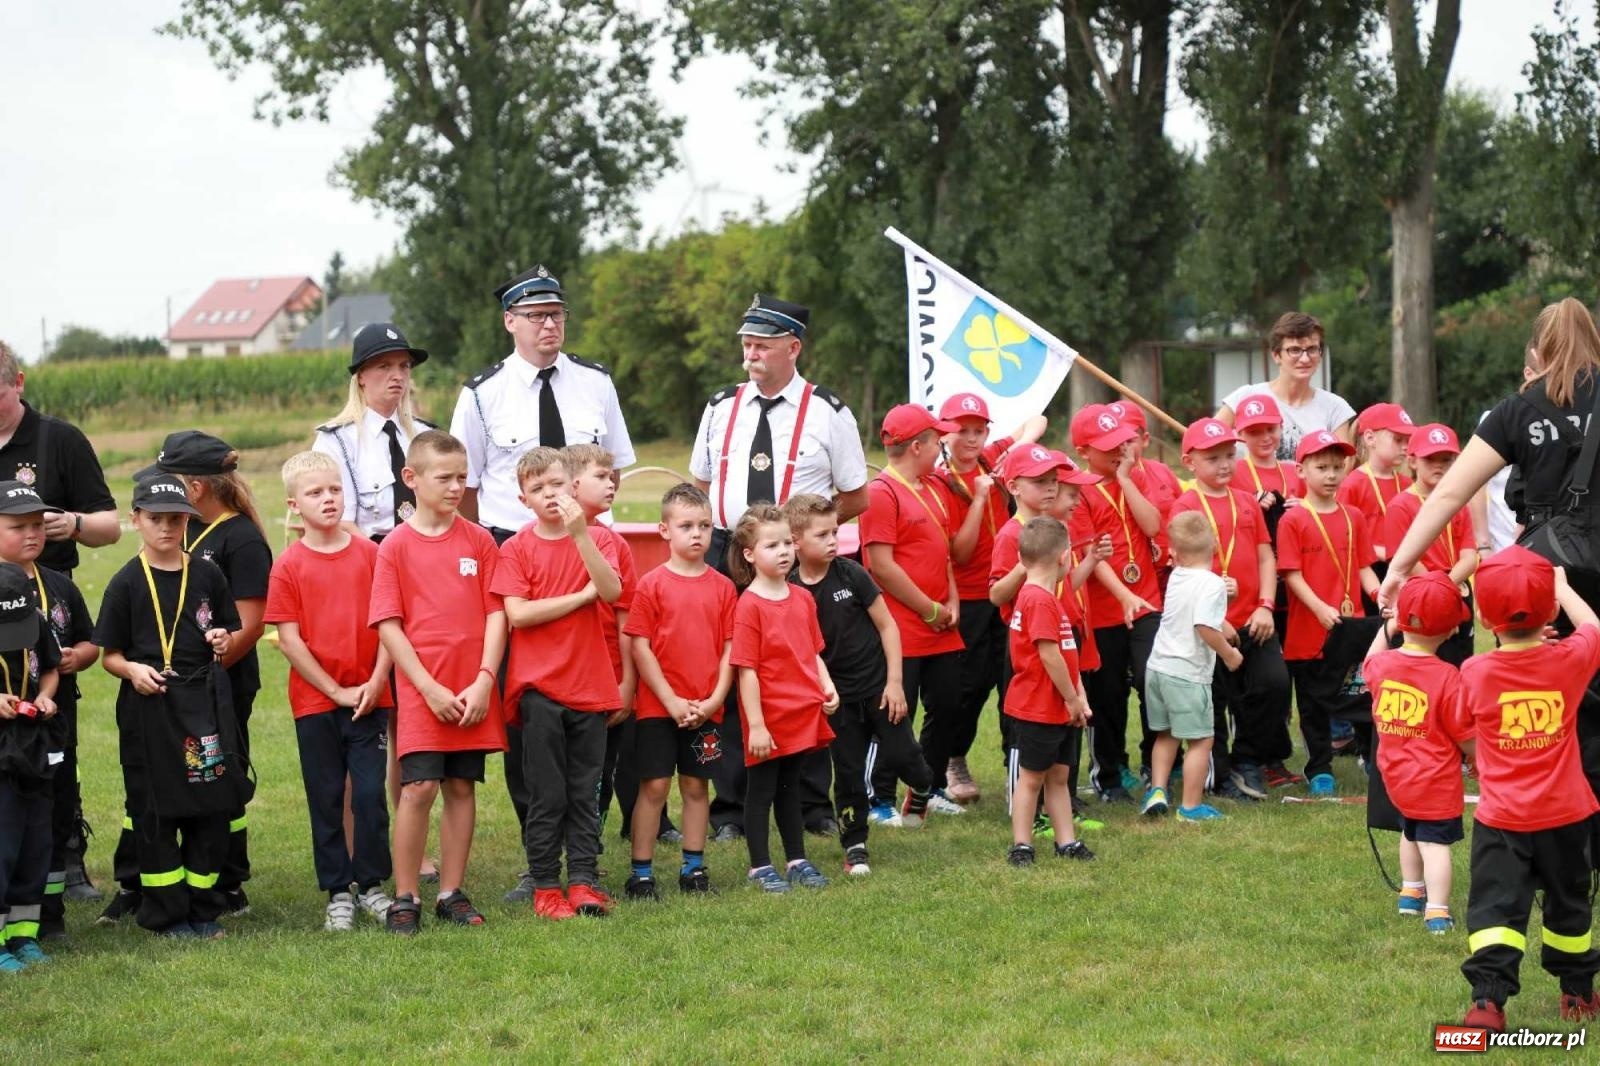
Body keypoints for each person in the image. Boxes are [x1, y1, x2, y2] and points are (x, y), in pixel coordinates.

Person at [449, 265, 634, 890]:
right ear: (510, 322)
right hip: (516, 555)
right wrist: (504, 558)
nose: (548, 323)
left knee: (593, 711)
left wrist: (591, 541)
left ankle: (585, 851)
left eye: (556, 312)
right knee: (529, 713)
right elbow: (468, 489)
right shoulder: (481, 394)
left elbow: (616, 470)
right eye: (534, 314)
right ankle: (539, 857)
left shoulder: (596, 383)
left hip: (586, 551)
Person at [1380, 298, 1600, 801]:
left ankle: (1549, 829)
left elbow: (1449, 493)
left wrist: (1399, 567)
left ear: (1538, 350)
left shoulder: (1517, 410)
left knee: (1540, 703)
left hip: (1546, 580)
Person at [691, 294, 867, 842]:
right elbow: (701, 484)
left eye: (763, 343)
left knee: (800, 672)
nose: (751, 352)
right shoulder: (721, 406)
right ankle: (728, 806)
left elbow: (855, 495)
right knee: (728, 667)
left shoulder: (828, 412)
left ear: (794, 346)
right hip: (730, 550)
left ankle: (810, 801)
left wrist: (805, 538)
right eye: (746, 342)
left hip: (793, 557)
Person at [1453, 549, 1600, 1031]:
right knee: (1569, 905)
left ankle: (1487, 1003)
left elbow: (1462, 727)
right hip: (1567, 816)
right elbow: (1593, 627)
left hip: (1502, 821)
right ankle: (1577, 994)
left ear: (1482, 615)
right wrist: (1563, 588)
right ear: (1550, 613)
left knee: (1496, 909)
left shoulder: (1474, 673)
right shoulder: (1571, 663)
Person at [127, 431, 272, 918]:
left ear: (194, 488)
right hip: (176, 694)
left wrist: (196, 684)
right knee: (165, 781)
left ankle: (228, 882)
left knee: (217, 779)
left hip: (218, 690)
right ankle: (144, 883)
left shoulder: (242, 538)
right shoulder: (181, 533)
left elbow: (249, 626)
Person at [369, 430, 506, 934]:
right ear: (411, 479)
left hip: (472, 691)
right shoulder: (395, 548)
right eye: (444, 478)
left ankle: (451, 892)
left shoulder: (480, 540)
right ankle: (405, 896)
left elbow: (497, 614)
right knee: (419, 786)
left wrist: (485, 680)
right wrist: (427, 688)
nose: (455, 488)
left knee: (461, 786)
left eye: (462, 478)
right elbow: (389, 624)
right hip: (424, 693)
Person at [94, 475, 240, 939]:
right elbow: (109, 656)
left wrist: (222, 637)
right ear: (136, 519)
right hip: (149, 712)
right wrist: (133, 671)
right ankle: (167, 913)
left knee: (208, 803)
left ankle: (203, 908)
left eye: (175, 519)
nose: (166, 528)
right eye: (155, 519)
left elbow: (227, 629)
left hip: (200, 709)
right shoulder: (125, 583)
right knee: (156, 811)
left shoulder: (206, 573)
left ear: (187, 521)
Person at [0, 340, 119, 902]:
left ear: (18, 382)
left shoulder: (59, 440)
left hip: (49, 606)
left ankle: (67, 858)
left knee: (54, 746)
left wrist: (70, 522)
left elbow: (112, 526)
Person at [264, 452, 394, 931]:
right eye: (316, 493)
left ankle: (373, 885)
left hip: (370, 697)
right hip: (317, 703)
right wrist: (336, 690)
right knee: (324, 796)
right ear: (294, 505)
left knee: (367, 795)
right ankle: (338, 891)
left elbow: (389, 624)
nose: (328, 499)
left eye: (335, 490)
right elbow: (290, 641)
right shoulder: (289, 566)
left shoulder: (373, 555)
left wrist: (377, 680)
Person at [492, 447, 622, 921]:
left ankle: (585, 880)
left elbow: (610, 591)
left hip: (589, 687)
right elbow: (518, 614)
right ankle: (546, 883)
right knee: (547, 792)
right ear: (523, 499)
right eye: (537, 489)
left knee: (584, 790)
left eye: (555, 485)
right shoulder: (517, 549)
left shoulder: (596, 538)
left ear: (572, 487)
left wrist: (580, 535)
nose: (549, 495)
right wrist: (579, 596)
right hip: (538, 691)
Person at [788, 492, 936, 873]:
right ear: (795, 540)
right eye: (822, 535)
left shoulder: (852, 574)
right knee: (849, 772)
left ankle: (921, 790)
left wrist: (895, 683)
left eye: (835, 532)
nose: (834, 541)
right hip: (836, 701)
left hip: (878, 690)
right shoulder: (788, 588)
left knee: (907, 759)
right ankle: (854, 845)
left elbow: (888, 626)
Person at [622, 484, 736, 898]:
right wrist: (669, 700)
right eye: (686, 525)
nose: (697, 534)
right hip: (658, 708)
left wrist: (714, 700)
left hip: (706, 709)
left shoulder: (723, 588)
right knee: (653, 787)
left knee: (695, 786)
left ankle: (693, 869)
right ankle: (642, 873)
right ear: (664, 530)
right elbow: (640, 645)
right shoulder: (651, 585)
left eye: (704, 526)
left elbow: (730, 649)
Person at [1168, 417, 1287, 803]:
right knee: (1214, 701)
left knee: (1273, 685)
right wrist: (1217, 618)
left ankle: (1248, 758)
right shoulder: (1185, 505)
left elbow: (1265, 555)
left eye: (1229, 456)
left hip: (1255, 619)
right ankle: (1218, 776)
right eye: (1212, 458)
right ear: (1189, 462)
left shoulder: (1245, 501)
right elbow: (1181, 570)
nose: (1224, 465)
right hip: (1210, 627)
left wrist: (1267, 606)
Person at [936, 393, 1045, 805]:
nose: (970, 439)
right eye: (960, 430)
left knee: (1016, 679)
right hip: (973, 596)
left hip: (1016, 590)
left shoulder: (995, 458)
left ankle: (1017, 763)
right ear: (944, 433)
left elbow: (1038, 419)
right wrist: (980, 497)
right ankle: (954, 758)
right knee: (972, 684)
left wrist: (1010, 452)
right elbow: (960, 553)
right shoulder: (941, 482)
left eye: (978, 430)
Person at [861, 404, 968, 823]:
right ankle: (880, 797)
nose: (943, 446)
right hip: (904, 625)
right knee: (894, 712)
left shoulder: (934, 487)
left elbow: (942, 554)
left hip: (942, 622)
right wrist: (928, 610)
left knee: (947, 704)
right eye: (937, 440)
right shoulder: (881, 493)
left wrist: (953, 601)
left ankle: (929, 785)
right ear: (918, 445)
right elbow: (881, 566)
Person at [0, 482, 96, 943]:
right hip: (5, 737)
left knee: (49, 820)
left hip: (50, 728)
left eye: (38, 526)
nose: (32, 535)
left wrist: (75, 658)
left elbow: (86, 642)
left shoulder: (57, 586)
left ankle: (44, 918)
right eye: (18, 527)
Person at [727, 504, 839, 893]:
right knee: (762, 789)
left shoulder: (803, 599)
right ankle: (760, 866)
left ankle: (797, 859)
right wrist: (756, 724)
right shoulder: (749, 606)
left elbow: (812, 651)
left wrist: (827, 685)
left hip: (800, 711)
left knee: (792, 786)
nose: (784, 552)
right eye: (771, 545)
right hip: (767, 715)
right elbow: (746, 670)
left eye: (788, 543)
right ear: (749, 554)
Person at [1363, 571, 1471, 936]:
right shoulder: (1447, 676)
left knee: (1409, 831)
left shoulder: (1381, 666)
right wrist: (1478, 756)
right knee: (1435, 844)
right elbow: (1463, 731)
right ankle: (1437, 911)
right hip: (1435, 780)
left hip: (1396, 777)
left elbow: (1368, 660)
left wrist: (1387, 628)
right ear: (1452, 629)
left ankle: (1411, 893)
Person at [1277, 430, 1380, 796]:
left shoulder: (1353, 515)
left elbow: (1364, 565)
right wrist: (1319, 607)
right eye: (1322, 467)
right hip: (1311, 630)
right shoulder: (1294, 520)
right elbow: (1291, 574)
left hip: (1351, 629)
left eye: (1338, 466)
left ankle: (1371, 758)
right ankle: (1319, 767)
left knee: (1361, 694)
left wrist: (1377, 592)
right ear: (1301, 470)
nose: (1332, 475)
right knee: (1313, 703)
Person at [1071, 404, 1162, 802]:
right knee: (1107, 695)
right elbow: (1090, 554)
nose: (1117, 452)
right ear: (1082, 451)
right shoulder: (1078, 490)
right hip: (1104, 609)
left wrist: (1126, 480)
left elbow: (1153, 526)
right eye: (1106, 447)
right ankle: (1109, 774)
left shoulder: (1135, 476)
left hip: (1146, 602)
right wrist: (1123, 594)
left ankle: (1152, 760)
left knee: (1151, 680)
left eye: (1121, 443)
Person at [1003, 516, 1094, 866]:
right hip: (1039, 707)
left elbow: (1069, 654)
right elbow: (1049, 654)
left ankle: (1066, 841)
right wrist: (1072, 698)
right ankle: (1022, 845)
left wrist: (1078, 696)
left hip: (1062, 706)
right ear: (1064, 558)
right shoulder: (1038, 600)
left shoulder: (1047, 598)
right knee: (1031, 779)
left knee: (1060, 776)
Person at [1142, 512, 1243, 823]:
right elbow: (1203, 625)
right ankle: (1190, 806)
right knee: (1201, 740)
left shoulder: (1177, 576)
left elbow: (1194, 613)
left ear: (1174, 553)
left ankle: (1157, 790)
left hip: (1158, 667)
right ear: (1215, 546)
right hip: (1187, 674)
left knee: (1166, 734)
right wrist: (1229, 653)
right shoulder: (1213, 584)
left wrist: (1227, 628)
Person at [312, 321, 432, 541]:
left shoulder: (425, 436)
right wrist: (387, 563)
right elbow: (341, 522)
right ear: (360, 377)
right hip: (366, 556)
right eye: (384, 366)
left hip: (424, 554)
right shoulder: (336, 441)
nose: (397, 375)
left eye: (404, 366)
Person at [0, 562, 62, 968]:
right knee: (2, 845)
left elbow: (51, 668)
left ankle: (24, 934)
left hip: (33, 744)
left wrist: (45, 696)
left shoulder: (34, 623)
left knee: (34, 842)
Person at [1381, 425, 1478, 665]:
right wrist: (1440, 592)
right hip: (1421, 594)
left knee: (1460, 662)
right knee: (1425, 664)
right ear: (1412, 462)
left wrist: (1448, 588)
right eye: (1430, 459)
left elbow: (1470, 557)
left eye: (1446, 460)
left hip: (1456, 588)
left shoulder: (1459, 503)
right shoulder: (1400, 505)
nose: (1439, 465)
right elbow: (1406, 562)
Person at [1216, 311, 1357, 459]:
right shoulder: (1246, 397)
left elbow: (1343, 463)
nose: (1304, 358)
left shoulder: (1335, 408)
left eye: (1312, 349)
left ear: (1320, 354)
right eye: (1295, 350)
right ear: (1276, 355)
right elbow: (1206, 438)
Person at [1339, 403, 1415, 567]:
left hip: (1406, 567)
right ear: (1370, 438)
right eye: (1398, 439)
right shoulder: (1351, 484)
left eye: (1408, 440)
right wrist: (1387, 553)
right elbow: (1342, 537)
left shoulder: (1408, 484)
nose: (1405, 447)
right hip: (1367, 569)